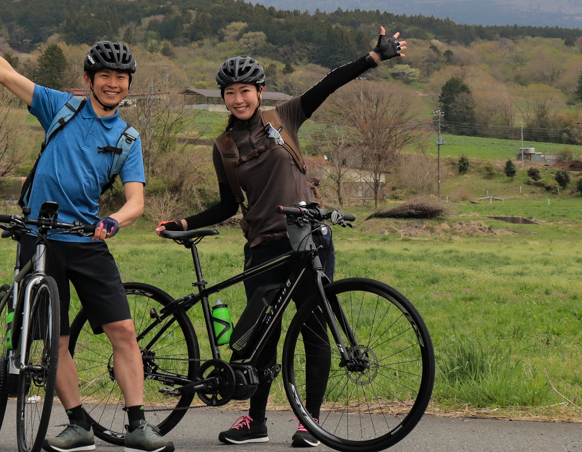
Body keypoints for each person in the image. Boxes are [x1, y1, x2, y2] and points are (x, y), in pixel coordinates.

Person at [0, 0, 171, 452]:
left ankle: (137, 422)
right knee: (54, 338)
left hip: (88, 238)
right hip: (40, 239)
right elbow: (3, 72)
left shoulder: (127, 137)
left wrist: (114, 221)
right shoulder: (59, 107)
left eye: (121, 78)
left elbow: (136, 200)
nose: (113, 84)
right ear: (89, 79)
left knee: (123, 329)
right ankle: (78, 422)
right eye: (105, 76)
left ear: (128, 84)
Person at [157, 28, 405, 447]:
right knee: (261, 337)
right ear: (223, 97)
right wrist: (182, 223)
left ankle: (310, 423)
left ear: (260, 91)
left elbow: (328, 84)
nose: (238, 99)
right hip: (263, 247)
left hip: (310, 239)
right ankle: (254, 422)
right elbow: (227, 206)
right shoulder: (224, 147)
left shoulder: (283, 118)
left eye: (245, 91)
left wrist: (373, 59)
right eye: (230, 93)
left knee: (312, 329)